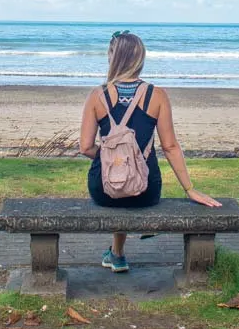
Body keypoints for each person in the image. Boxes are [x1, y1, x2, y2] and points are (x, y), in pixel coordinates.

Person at [79, 30, 220, 273]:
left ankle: (117, 254)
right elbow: (170, 147)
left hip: (104, 189)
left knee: (117, 180)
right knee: (130, 180)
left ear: (112, 58)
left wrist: (114, 159)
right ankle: (117, 253)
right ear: (140, 59)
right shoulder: (157, 95)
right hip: (145, 189)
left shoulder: (96, 96)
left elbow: (85, 147)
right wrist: (190, 189)